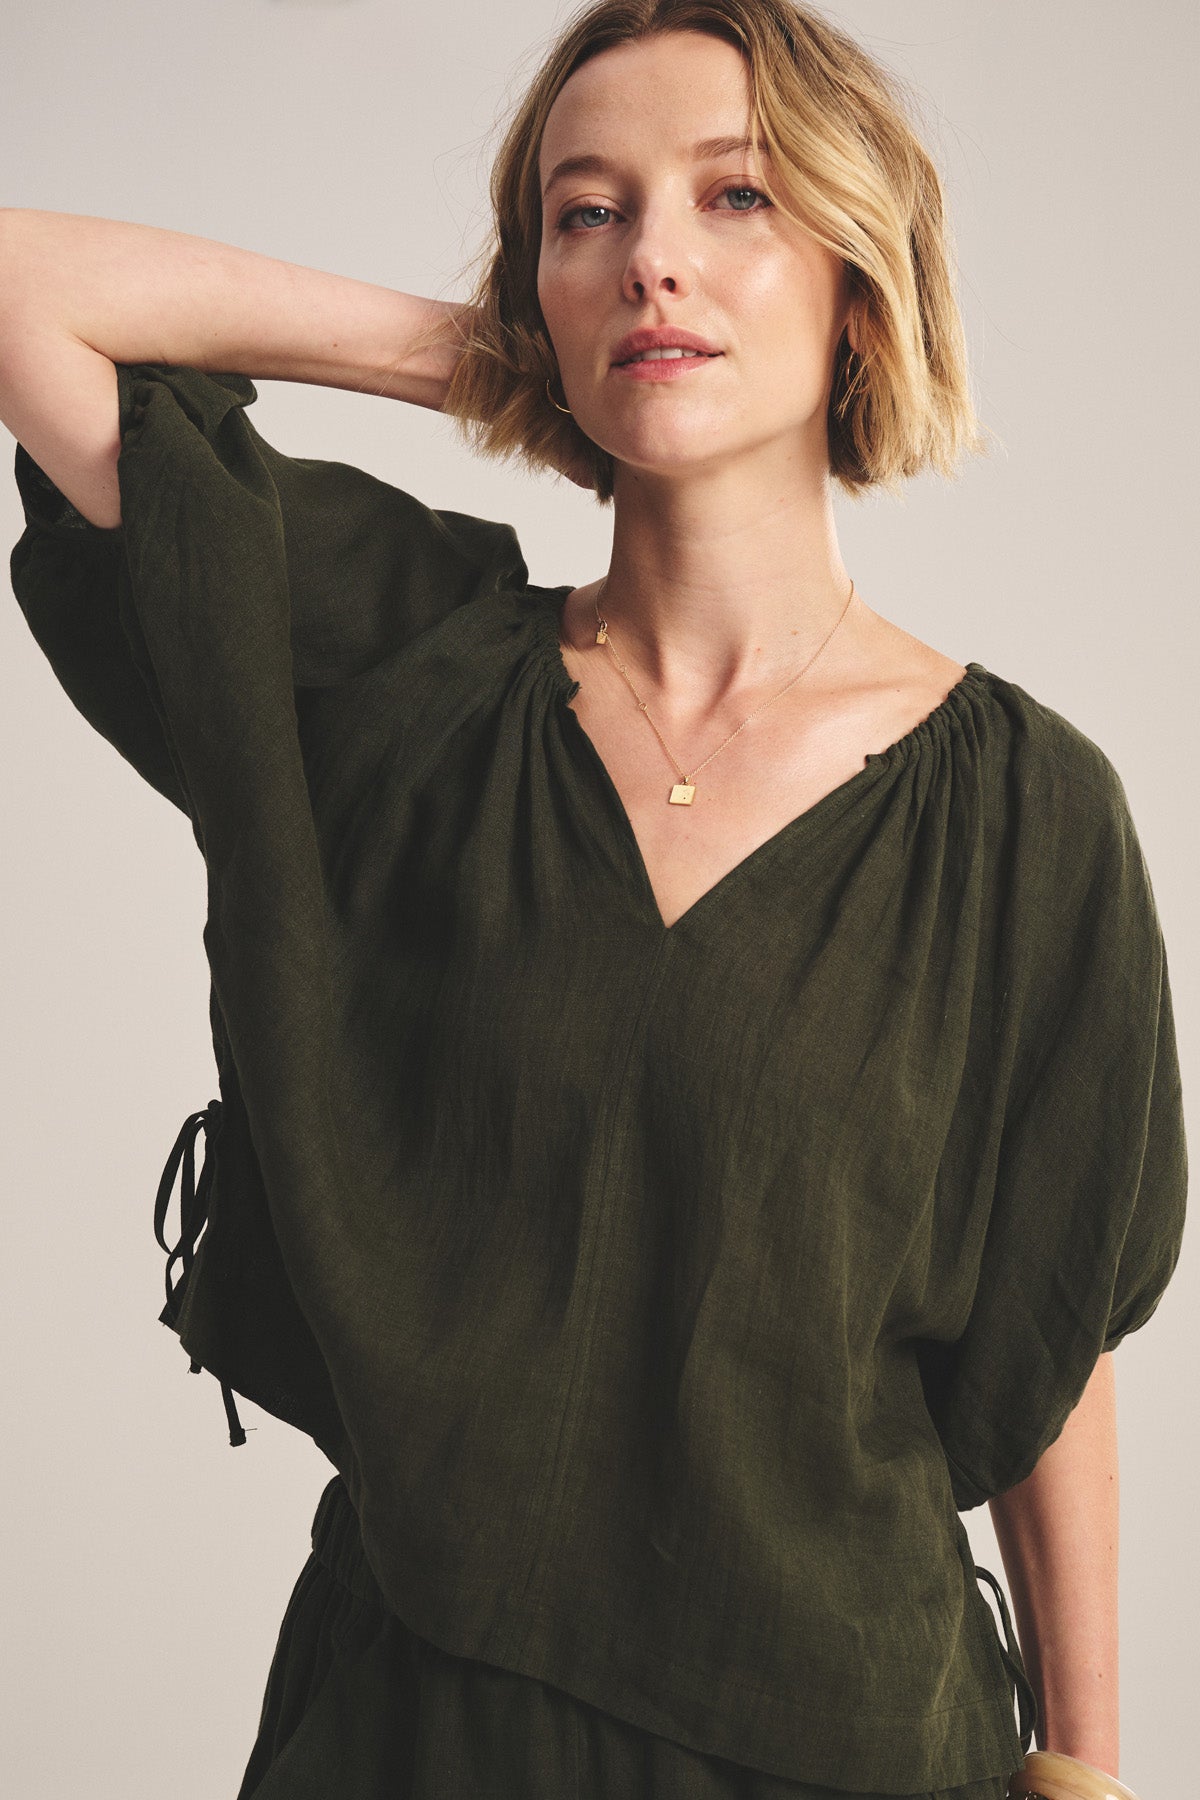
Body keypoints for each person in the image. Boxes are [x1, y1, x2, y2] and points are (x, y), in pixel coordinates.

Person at [1, 2, 1187, 1797]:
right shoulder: (404, 674)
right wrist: (488, 363)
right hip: (412, 1733)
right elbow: (26, 289)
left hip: (844, 1741)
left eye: (736, 197)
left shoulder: (1025, 817)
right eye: (587, 214)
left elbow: (1051, 1324)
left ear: (860, 281)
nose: (652, 261)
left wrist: (1085, 1766)